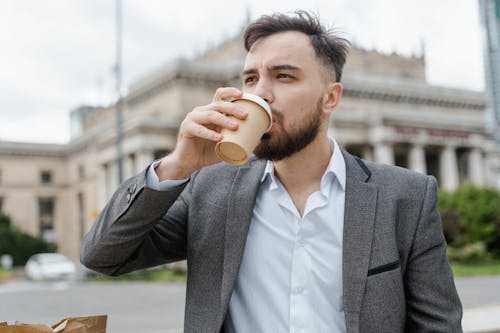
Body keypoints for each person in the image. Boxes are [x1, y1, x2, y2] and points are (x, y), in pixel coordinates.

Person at [81, 11, 462, 333]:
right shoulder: (211, 192)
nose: (259, 93)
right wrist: (178, 163)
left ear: (330, 98)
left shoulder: (405, 196)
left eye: (283, 76)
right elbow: (103, 256)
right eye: (250, 79)